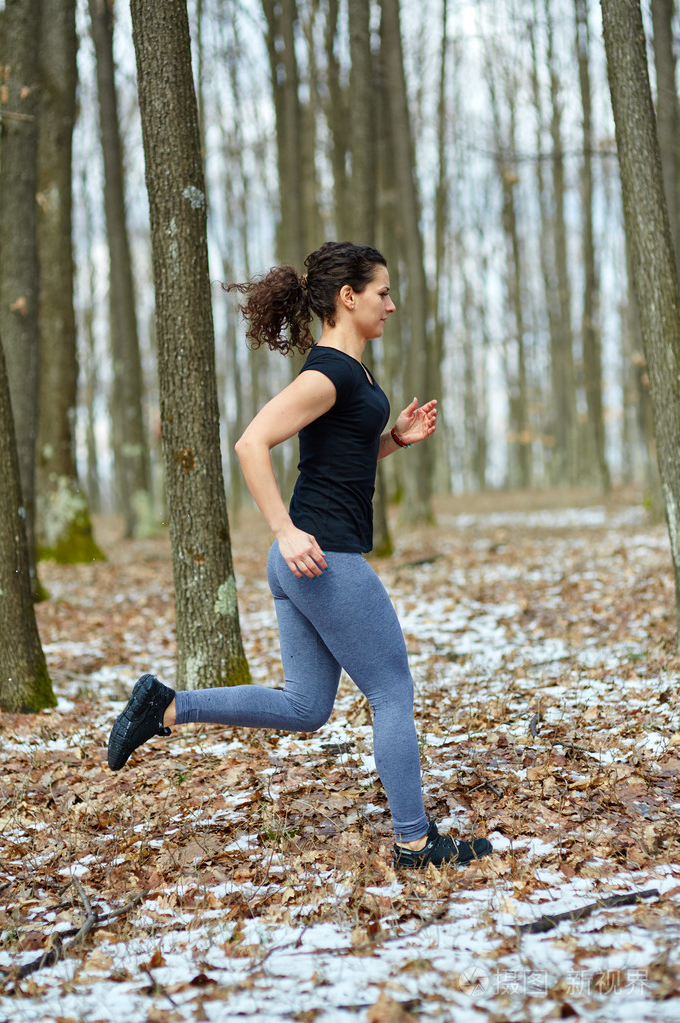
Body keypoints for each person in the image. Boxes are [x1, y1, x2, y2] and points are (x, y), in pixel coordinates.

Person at [107, 241, 492, 870]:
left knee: (306, 708)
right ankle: (415, 842)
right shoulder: (329, 373)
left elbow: (336, 462)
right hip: (322, 557)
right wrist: (285, 530)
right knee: (393, 692)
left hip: (308, 561)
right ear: (348, 298)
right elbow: (252, 443)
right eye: (382, 293)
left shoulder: (352, 374)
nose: (391, 305)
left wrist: (393, 440)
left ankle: (165, 705)